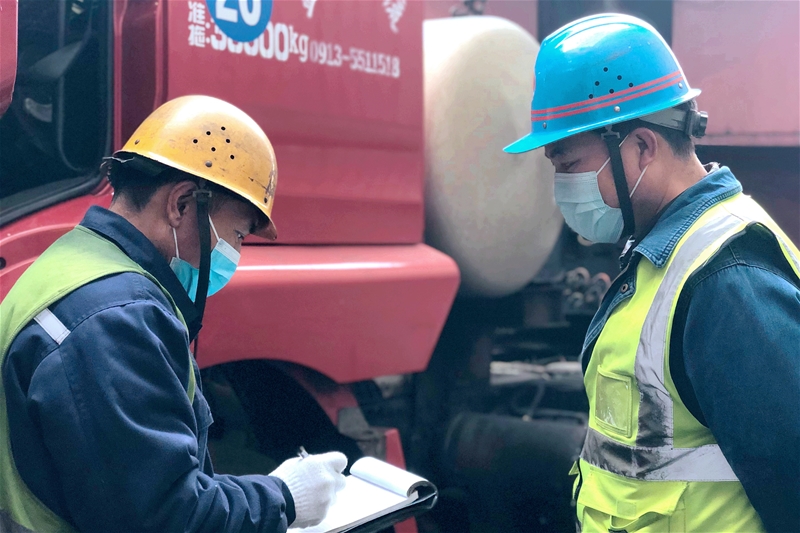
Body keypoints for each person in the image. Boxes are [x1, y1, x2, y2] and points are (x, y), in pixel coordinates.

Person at [505, 13, 800, 533]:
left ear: (641, 147)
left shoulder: (726, 278)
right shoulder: (665, 255)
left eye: (567, 164)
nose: (561, 187)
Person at [0, 95, 347, 533]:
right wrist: (283, 496)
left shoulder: (73, 262)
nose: (235, 253)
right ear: (182, 204)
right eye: (238, 235)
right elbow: (166, 519)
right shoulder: (118, 320)